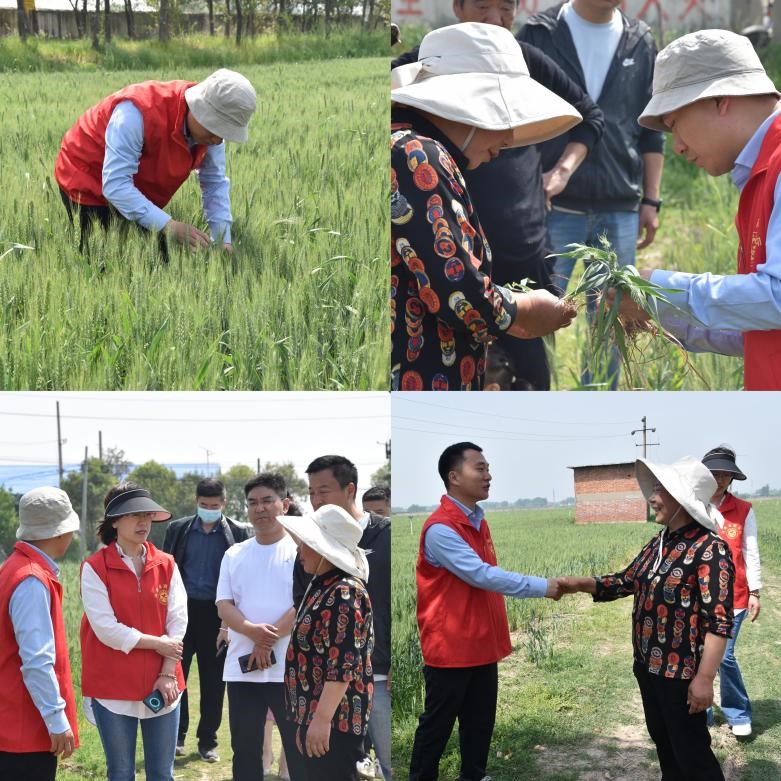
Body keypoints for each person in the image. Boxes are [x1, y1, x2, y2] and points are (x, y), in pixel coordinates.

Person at [391, 0, 605, 390]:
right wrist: (521, 309)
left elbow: (592, 117)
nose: (509, 140)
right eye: (501, 118)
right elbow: (457, 289)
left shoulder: (428, 149)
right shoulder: (417, 155)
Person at [615, 29, 781, 390]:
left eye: (675, 124)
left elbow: (778, 298)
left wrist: (655, 289)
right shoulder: (760, 171)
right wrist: (659, 312)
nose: (677, 147)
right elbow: (758, 326)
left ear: (720, 99)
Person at [559, 457, 734, 781]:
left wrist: (705, 679)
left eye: (658, 491)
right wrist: (578, 584)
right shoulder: (659, 543)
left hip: (680, 675)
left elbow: (719, 623)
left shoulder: (710, 550)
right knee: (666, 748)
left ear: (680, 499)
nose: (651, 499)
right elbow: (627, 581)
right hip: (647, 667)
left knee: (693, 756)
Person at [519, 0, 664, 388]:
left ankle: (596, 394)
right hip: (553, 205)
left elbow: (651, 128)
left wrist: (651, 199)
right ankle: (531, 395)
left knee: (612, 319)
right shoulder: (539, 33)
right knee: (537, 316)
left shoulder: (641, 39)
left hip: (619, 206)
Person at [409, 442, 563, 781]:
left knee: (480, 722)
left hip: (481, 642)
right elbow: (481, 575)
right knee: (437, 726)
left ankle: (473, 775)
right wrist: (545, 586)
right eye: (479, 468)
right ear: (454, 477)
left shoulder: (477, 520)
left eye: (487, 467)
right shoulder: (440, 529)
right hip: (450, 648)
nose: (488, 475)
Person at [55, 68, 256, 257]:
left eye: (225, 133)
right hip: (86, 176)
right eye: (215, 129)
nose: (218, 140)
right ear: (198, 108)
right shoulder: (135, 113)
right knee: (103, 261)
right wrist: (170, 226)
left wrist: (223, 239)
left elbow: (214, 182)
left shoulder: (210, 134)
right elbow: (116, 185)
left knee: (161, 259)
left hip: (136, 182)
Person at [80, 483, 187, 781]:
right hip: (111, 687)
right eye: (132, 515)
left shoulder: (167, 564)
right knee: (121, 773)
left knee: (162, 774)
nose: (143, 522)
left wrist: (167, 672)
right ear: (114, 521)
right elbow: (106, 629)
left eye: (147, 515)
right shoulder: (94, 568)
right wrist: (160, 644)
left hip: (162, 684)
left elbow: (178, 620)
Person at [303, 455, 391, 780]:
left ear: (350, 489)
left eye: (323, 491)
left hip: (380, 676)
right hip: (330, 688)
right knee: (349, 767)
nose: (315, 500)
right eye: (311, 492)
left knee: (390, 762)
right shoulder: (314, 544)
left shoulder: (385, 536)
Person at [215, 472, 304, 781]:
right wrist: (252, 631)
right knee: (246, 751)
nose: (260, 509)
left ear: (285, 504)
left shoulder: (301, 551)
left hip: (291, 670)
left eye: (268, 501)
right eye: (253, 503)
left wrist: (268, 639)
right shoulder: (234, 554)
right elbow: (224, 605)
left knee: (298, 749)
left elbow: (305, 602)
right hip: (243, 670)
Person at [277, 504, 374, 781]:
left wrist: (320, 720)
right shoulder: (323, 585)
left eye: (306, 544)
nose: (299, 551)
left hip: (335, 724)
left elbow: (343, 665)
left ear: (323, 549)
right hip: (316, 718)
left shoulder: (343, 593)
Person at [163, 477, 250, 762]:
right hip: (182, 612)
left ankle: (208, 741)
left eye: (214, 505)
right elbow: (165, 571)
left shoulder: (238, 532)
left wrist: (229, 622)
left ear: (224, 503)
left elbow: (242, 581)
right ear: (196, 502)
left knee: (214, 682)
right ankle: (177, 735)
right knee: (177, 674)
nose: (209, 509)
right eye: (204, 505)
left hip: (219, 614)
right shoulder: (179, 529)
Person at [0, 487, 80, 781]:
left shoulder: (13, 568)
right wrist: (57, 720)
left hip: (10, 721)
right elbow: (36, 661)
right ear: (61, 533)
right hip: (25, 729)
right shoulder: (31, 579)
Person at [702, 445, 762, 736]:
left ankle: (738, 714)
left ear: (732, 478)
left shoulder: (743, 510)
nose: (720, 478)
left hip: (734, 597)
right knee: (700, 654)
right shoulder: (693, 505)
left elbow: (750, 552)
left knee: (724, 656)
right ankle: (701, 711)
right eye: (714, 473)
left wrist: (756, 591)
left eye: (726, 474)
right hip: (698, 597)